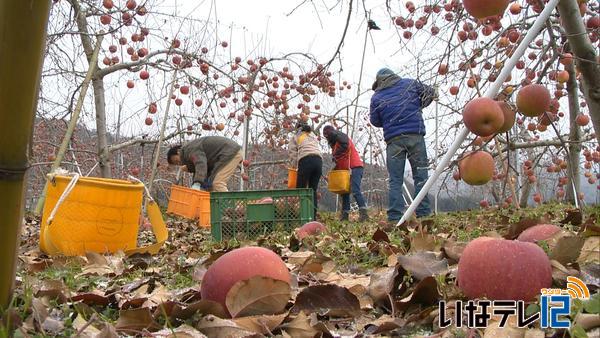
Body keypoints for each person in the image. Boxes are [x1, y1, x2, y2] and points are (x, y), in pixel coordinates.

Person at [369, 67, 436, 223]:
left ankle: (394, 217)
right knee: (421, 176)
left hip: (394, 141)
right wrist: (419, 104)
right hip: (415, 136)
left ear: (379, 82)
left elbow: (375, 121)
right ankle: (423, 213)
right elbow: (430, 93)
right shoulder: (410, 84)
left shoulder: (377, 97)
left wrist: (388, 119)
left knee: (395, 180)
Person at [322, 125, 369, 222]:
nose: (327, 138)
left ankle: (364, 213)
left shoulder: (341, 137)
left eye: (327, 136)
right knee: (344, 192)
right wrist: (332, 173)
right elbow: (339, 161)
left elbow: (345, 145)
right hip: (345, 170)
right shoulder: (335, 146)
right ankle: (345, 215)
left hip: (355, 167)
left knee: (355, 190)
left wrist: (336, 154)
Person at [167, 136, 243, 192]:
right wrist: (189, 169)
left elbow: (201, 164)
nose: (179, 163)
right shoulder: (188, 155)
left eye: (176, 160)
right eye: (176, 164)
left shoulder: (190, 149)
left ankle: (233, 208)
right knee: (209, 187)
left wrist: (197, 183)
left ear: (178, 151)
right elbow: (200, 165)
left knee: (218, 182)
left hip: (230, 152)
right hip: (224, 155)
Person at [288, 122, 322, 219]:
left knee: (301, 190)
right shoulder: (312, 134)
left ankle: (301, 216)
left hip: (306, 160)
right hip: (318, 161)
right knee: (312, 190)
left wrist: (294, 167)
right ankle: (313, 217)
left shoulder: (296, 135)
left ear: (297, 128)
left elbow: (293, 153)